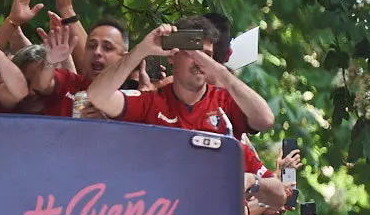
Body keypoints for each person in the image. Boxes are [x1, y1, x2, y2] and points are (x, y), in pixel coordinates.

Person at [86, 17, 275, 137]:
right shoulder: (151, 102)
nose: (199, 61)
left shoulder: (224, 102)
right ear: (171, 57)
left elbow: (265, 120)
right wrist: (143, 49)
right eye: (191, 53)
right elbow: (97, 96)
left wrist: (220, 71)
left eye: (206, 55)